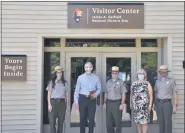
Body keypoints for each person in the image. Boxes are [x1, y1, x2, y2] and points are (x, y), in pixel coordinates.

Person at [74, 62, 101, 133]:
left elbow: (99, 88)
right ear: (84, 68)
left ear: (92, 68)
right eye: (87, 67)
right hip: (82, 98)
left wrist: (96, 94)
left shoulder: (96, 77)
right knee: (82, 119)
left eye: (90, 67)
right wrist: (76, 102)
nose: (88, 69)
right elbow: (77, 90)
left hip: (91, 99)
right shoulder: (80, 77)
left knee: (91, 119)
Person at [154, 65, 178, 133]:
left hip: (167, 103)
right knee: (161, 122)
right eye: (161, 72)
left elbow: (175, 93)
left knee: (167, 122)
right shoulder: (157, 81)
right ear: (159, 72)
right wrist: (155, 104)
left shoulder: (171, 80)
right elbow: (156, 93)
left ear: (167, 72)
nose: (163, 73)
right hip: (159, 103)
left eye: (164, 72)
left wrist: (175, 105)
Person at [104, 66, 127, 133]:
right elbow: (106, 93)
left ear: (118, 73)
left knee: (118, 122)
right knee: (109, 122)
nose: (114, 74)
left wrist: (122, 104)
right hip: (109, 103)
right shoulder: (108, 82)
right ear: (111, 73)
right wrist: (104, 102)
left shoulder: (121, 82)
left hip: (117, 103)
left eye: (115, 73)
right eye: (113, 72)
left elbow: (123, 94)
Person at [46, 66, 69, 133]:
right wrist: (49, 104)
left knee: (61, 122)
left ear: (62, 73)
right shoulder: (51, 82)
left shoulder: (65, 83)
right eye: (58, 73)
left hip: (62, 103)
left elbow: (66, 93)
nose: (59, 74)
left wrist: (66, 102)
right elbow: (48, 94)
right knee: (52, 122)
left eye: (60, 72)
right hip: (53, 102)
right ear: (55, 73)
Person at [130, 69, 153, 133]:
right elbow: (131, 94)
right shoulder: (134, 84)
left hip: (144, 106)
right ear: (137, 75)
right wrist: (131, 103)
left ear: (144, 75)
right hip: (136, 106)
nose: (140, 75)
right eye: (139, 74)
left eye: (142, 74)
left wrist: (150, 105)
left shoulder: (147, 83)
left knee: (144, 122)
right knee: (138, 122)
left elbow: (151, 95)